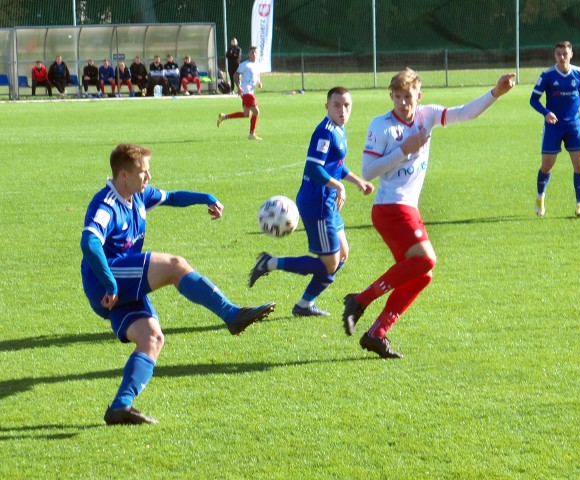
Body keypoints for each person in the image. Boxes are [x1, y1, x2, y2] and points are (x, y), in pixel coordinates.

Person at [80, 143, 276, 425]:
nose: (148, 178)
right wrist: (110, 283)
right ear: (123, 175)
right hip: (106, 279)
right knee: (175, 266)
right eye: (143, 172)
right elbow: (89, 241)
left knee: (153, 339)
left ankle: (120, 406)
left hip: (124, 279)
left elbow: (171, 197)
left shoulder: (139, 195)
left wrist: (204, 197)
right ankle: (231, 314)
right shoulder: (106, 204)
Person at [341, 68, 516, 359]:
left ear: (418, 96)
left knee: (422, 275)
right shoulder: (381, 125)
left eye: (408, 97)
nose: (402, 103)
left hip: (408, 208)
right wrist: (403, 150)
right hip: (390, 207)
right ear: (391, 97)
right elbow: (369, 172)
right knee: (426, 259)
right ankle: (359, 300)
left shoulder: (428, 115)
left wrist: (495, 92)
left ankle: (377, 333)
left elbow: (465, 113)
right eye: (397, 97)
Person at [248, 87, 374, 316]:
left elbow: (335, 165)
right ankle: (269, 263)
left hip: (328, 202)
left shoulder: (340, 130)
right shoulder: (324, 131)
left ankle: (305, 304)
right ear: (327, 106)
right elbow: (314, 168)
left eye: (346, 105)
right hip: (316, 202)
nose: (342, 110)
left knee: (342, 255)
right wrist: (338, 186)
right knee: (329, 264)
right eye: (337, 105)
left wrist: (357, 182)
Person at [530, 40, 580, 218]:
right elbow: (533, 100)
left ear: (571, 54)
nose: (562, 57)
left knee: (579, 164)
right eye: (559, 54)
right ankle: (540, 196)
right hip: (553, 127)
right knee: (547, 165)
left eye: (565, 54)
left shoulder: (579, 74)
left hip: (574, 125)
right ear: (554, 55)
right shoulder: (547, 75)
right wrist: (545, 113)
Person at [217, 46, 263, 140]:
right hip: (246, 91)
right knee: (256, 111)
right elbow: (235, 76)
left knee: (246, 114)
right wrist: (239, 87)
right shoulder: (245, 64)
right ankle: (252, 134)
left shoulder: (258, 65)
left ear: (257, 54)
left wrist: (259, 82)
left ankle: (224, 117)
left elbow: (258, 74)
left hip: (251, 91)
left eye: (255, 52)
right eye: (252, 52)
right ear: (249, 54)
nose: (254, 54)